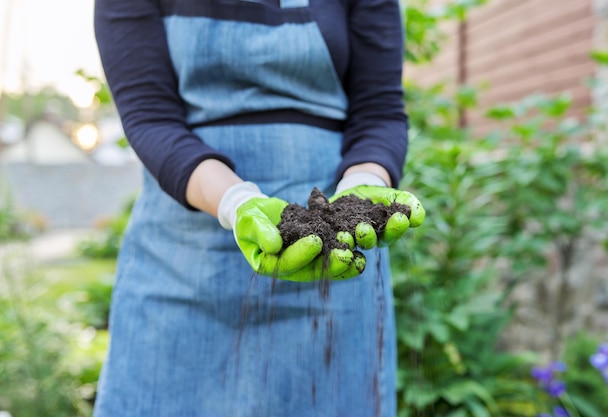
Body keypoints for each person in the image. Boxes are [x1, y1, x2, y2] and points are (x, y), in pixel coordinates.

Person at [93, 0, 424, 416]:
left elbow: (378, 111)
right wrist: (234, 201)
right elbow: (150, 115)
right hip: (183, 262)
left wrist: (362, 189)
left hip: (333, 257)